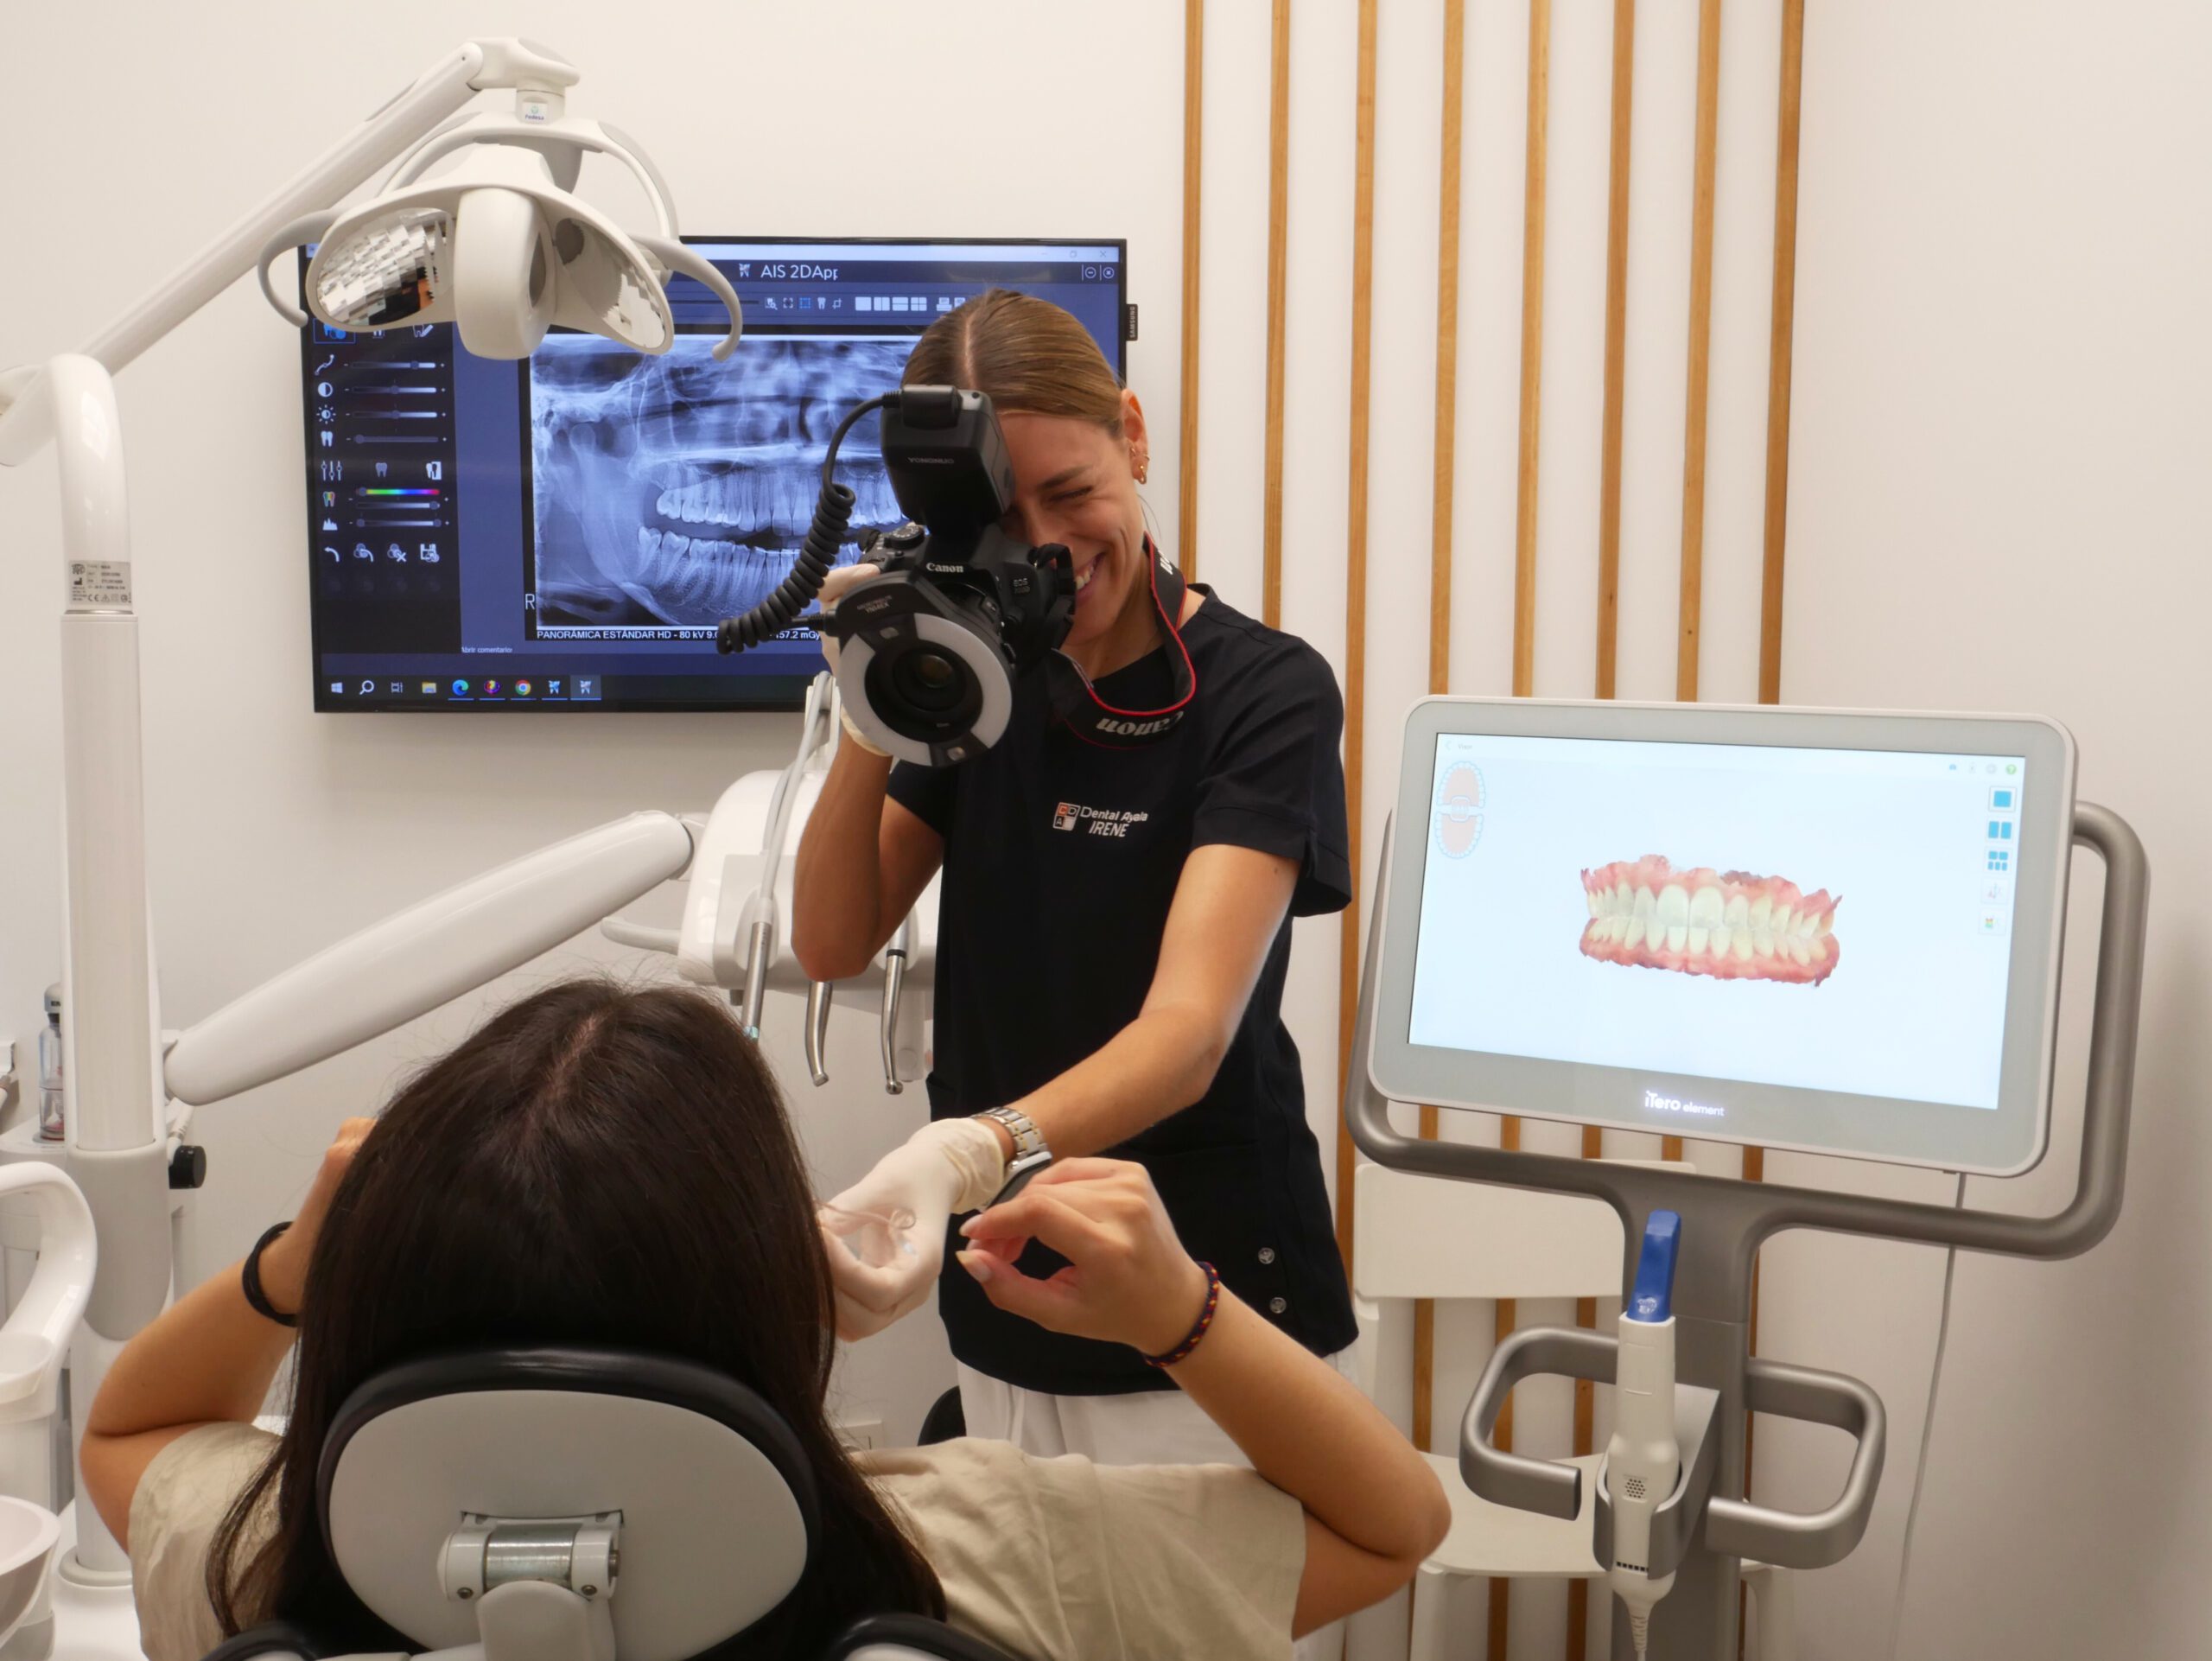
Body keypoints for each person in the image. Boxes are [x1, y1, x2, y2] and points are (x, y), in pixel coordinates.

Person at [78, 981, 1446, 1661]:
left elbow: (129, 1424)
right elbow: (1392, 1521)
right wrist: (1179, 1312)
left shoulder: (266, 1558)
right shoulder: (986, 1551)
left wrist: (294, 1263)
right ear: (777, 1295)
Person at [796, 290, 1358, 1480]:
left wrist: (963, 1153)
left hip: (1203, 1310)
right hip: (1006, 1296)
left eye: (1072, 491)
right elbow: (833, 934)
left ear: (1134, 435)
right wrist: (879, 685)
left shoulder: (1265, 695)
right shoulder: (986, 688)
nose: (1046, 545)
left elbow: (1187, 1035)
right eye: (1003, 519)